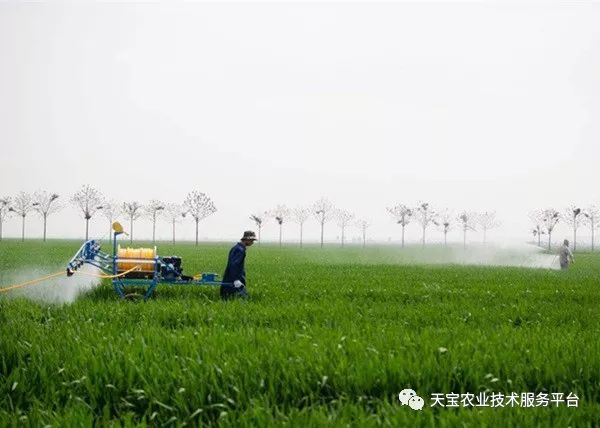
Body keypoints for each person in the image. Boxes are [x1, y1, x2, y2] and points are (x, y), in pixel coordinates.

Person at [220, 231, 257, 299]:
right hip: (234, 279)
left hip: (232, 277)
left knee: (229, 297)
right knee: (241, 298)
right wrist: (236, 279)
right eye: (252, 240)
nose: (252, 242)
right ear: (246, 239)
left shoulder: (236, 247)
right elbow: (234, 265)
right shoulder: (240, 250)